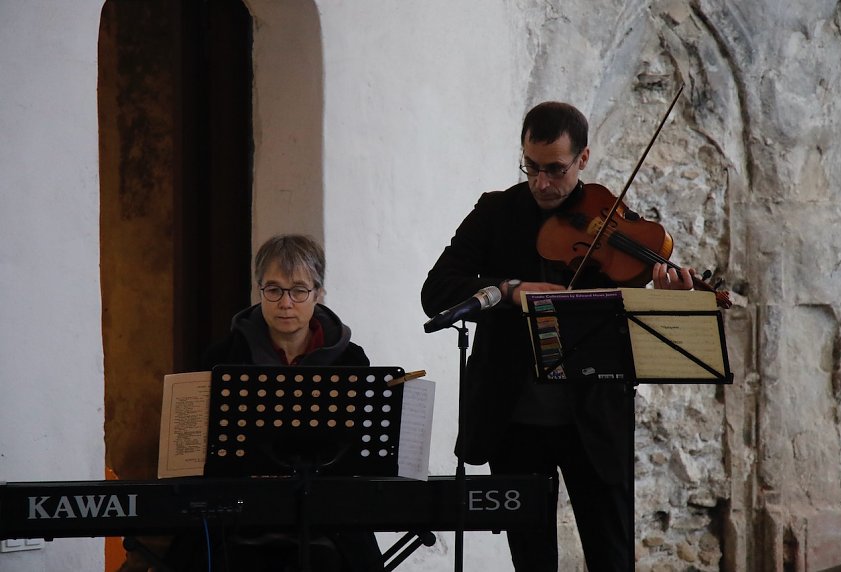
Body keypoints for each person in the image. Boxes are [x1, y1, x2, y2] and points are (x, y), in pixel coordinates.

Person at [421, 101, 693, 571]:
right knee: (531, 560)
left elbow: (640, 306)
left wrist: (671, 292)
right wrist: (510, 290)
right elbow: (436, 290)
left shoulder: (613, 221)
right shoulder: (495, 212)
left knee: (612, 557)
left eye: (555, 169)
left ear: (583, 159)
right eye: (531, 167)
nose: (541, 183)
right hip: (514, 420)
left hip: (595, 419)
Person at [162, 234, 384, 572]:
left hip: (327, 511)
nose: (285, 303)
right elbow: (194, 453)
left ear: (318, 294)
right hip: (240, 512)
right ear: (258, 291)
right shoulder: (223, 357)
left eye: (298, 290)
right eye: (274, 289)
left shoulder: (350, 360)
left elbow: (356, 454)